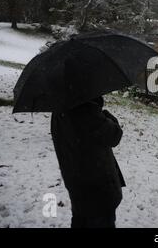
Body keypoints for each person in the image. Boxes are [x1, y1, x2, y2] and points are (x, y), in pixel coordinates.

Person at [51, 96, 125, 228]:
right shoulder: (87, 110)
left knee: (81, 220)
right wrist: (105, 114)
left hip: (78, 188)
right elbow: (114, 135)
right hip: (98, 191)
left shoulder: (59, 110)